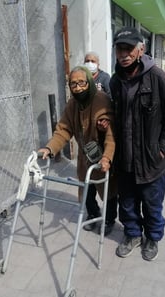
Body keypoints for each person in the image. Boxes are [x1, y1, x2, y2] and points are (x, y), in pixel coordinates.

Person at [109, 27, 165, 261]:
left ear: (141, 50)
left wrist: (162, 149)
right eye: (120, 49)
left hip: (151, 160)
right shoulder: (115, 81)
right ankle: (132, 234)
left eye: (129, 48)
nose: (124, 54)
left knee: (152, 205)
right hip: (125, 159)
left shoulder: (157, 77)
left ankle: (152, 237)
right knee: (127, 204)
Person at [38, 66, 118, 236]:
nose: (78, 88)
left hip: (103, 155)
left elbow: (111, 134)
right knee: (86, 190)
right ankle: (93, 214)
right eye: (73, 84)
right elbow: (63, 130)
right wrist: (49, 147)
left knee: (109, 192)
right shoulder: (72, 104)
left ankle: (110, 220)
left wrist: (107, 158)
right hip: (85, 158)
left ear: (89, 81)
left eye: (81, 82)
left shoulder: (101, 99)